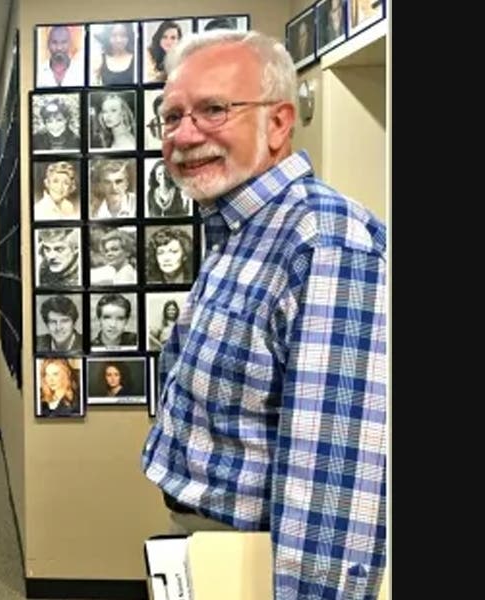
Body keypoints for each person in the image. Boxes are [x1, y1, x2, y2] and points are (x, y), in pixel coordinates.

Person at [140, 29, 387, 600]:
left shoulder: (325, 244)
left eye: (213, 110)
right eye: (171, 116)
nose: (184, 134)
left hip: (263, 562)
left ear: (278, 122)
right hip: (213, 545)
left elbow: (332, 490)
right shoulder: (239, 229)